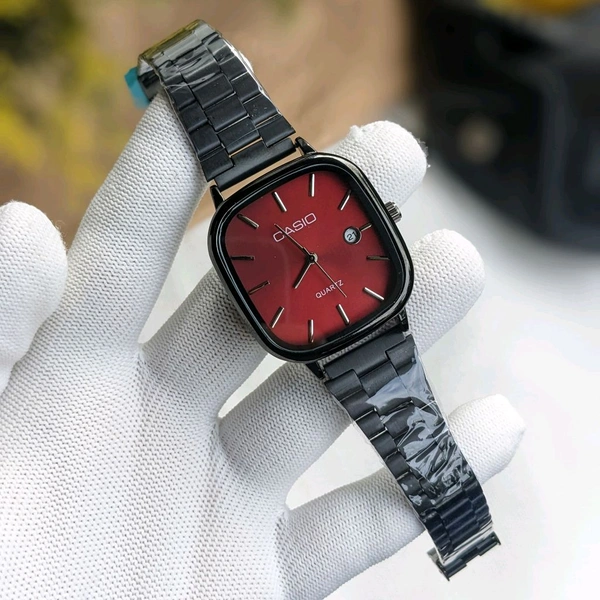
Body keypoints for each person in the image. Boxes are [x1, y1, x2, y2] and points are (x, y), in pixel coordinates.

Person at [0, 93, 524, 599]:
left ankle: (459, 524)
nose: (311, 260)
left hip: (368, 316)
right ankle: (461, 527)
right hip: (337, 321)